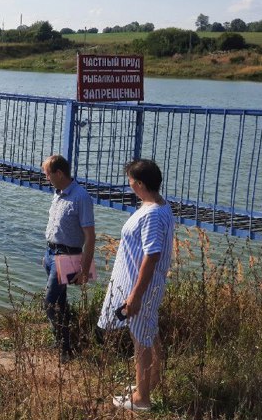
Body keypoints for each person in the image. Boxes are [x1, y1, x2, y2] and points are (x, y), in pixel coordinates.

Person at [97, 159, 175, 412]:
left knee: (141, 339)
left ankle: (142, 400)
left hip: (143, 287)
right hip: (146, 286)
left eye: (130, 180)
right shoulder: (160, 206)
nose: (129, 185)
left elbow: (151, 256)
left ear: (140, 183)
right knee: (150, 333)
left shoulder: (152, 214)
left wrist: (135, 297)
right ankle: (150, 383)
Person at [41, 154, 95, 362]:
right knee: (60, 303)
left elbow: (90, 237)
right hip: (51, 254)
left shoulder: (80, 197)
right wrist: (46, 255)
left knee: (49, 302)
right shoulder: (58, 193)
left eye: (47, 174)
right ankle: (65, 346)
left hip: (67, 256)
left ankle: (64, 342)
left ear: (59, 173)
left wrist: (84, 268)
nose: (46, 178)